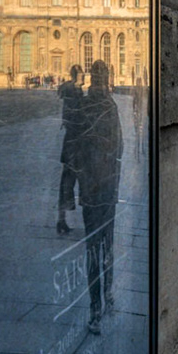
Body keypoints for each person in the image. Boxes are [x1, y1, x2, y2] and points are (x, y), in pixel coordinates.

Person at [70, 60, 125, 334]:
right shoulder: (110, 107)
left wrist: (73, 185)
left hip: (90, 187)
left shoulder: (82, 106)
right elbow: (121, 148)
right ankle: (107, 295)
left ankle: (95, 306)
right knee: (106, 245)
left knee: (93, 247)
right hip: (106, 188)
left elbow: (71, 148)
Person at [56, 64, 87, 234]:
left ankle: (61, 219)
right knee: (81, 181)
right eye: (82, 75)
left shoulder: (71, 91)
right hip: (76, 144)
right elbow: (76, 118)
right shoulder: (75, 93)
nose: (84, 77)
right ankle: (85, 219)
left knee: (66, 183)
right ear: (77, 76)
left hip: (70, 143)